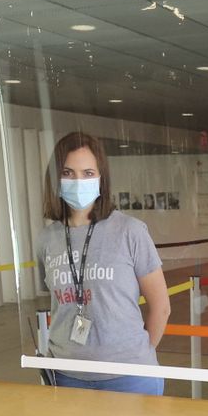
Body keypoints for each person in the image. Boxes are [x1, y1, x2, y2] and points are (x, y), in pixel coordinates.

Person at [37, 131, 171, 394]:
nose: (78, 181)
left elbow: (161, 307)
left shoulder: (130, 231)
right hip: (66, 375)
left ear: (101, 179)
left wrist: (135, 359)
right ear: (55, 179)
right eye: (68, 173)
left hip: (129, 376)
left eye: (88, 173)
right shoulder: (47, 239)